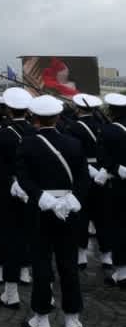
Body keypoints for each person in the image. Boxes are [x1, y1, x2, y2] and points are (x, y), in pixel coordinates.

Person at [16, 95, 88, 327]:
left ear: (34, 118)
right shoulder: (74, 143)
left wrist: (43, 198)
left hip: (40, 210)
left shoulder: (27, 143)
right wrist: (71, 199)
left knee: (41, 263)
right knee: (68, 264)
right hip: (68, 209)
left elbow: (24, 180)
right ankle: (72, 319)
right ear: (58, 117)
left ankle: (42, 317)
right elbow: (83, 179)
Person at [0, 87, 35, 309]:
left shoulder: (3, 133)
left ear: (8, 110)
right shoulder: (34, 133)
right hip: (33, 191)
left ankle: (11, 293)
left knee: (10, 238)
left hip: (8, 192)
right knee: (32, 234)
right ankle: (26, 272)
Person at [66, 93, 108, 269]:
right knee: (104, 216)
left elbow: (73, 152)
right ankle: (107, 256)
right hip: (103, 174)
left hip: (82, 174)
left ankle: (81, 255)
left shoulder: (73, 127)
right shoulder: (104, 125)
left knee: (82, 216)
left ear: (78, 108)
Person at [98, 92, 126, 287]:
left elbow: (103, 159)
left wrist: (117, 168)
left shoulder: (108, 131)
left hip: (118, 186)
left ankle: (122, 272)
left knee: (119, 226)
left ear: (111, 111)